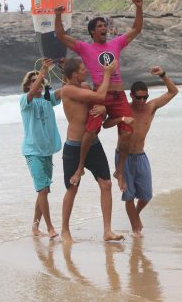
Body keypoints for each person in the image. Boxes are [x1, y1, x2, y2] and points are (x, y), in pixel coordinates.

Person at [55, 0, 143, 192]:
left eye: (105, 25)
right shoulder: (85, 48)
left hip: (118, 96)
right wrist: (58, 15)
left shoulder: (116, 44)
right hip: (100, 95)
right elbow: (61, 35)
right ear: (93, 31)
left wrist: (139, 8)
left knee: (128, 133)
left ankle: (119, 170)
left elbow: (136, 29)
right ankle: (80, 167)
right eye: (100, 26)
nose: (104, 28)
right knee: (91, 131)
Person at [103, 66, 178, 237]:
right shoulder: (124, 108)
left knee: (146, 195)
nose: (142, 101)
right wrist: (121, 118)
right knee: (128, 195)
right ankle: (135, 228)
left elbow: (173, 92)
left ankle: (135, 215)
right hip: (123, 156)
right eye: (139, 97)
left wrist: (163, 75)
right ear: (132, 96)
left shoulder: (151, 107)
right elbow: (105, 124)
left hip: (140, 155)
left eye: (145, 97)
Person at [60, 57, 124, 243]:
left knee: (106, 184)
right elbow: (100, 96)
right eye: (82, 69)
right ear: (73, 75)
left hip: (93, 143)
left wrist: (103, 109)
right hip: (74, 145)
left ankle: (107, 231)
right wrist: (106, 73)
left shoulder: (85, 87)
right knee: (72, 187)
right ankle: (65, 230)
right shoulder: (68, 90)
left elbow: (97, 104)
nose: (85, 71)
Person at [20, 59, 61, 238]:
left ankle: (35, 228)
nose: (38, 82)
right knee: (42, 189)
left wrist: (65, 69)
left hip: (47, 152)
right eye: (33, 80)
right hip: (32, 151)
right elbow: (31, 92)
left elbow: (64, 91)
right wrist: (42, 71)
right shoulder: (24, 101)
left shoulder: (47, 100)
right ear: (28, 85)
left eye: (40, 80)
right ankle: (51, 227)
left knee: (43, 190)